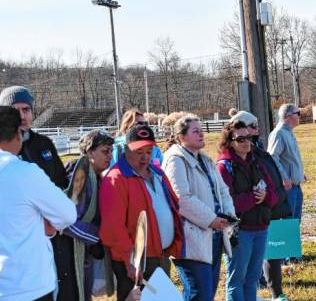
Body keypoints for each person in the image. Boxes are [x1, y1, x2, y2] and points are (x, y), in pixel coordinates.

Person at [0, 85, 72, 298]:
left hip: (53, 240)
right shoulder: (21, 167)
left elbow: (61, 185)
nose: (23, 116)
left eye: (27, 109)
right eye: (16, 110)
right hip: (21, 260)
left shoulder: (44, 144)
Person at [99, 124, 184, 301]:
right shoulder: (116, 179)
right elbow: (112, 228)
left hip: (160, 254)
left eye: (149, 151)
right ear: (126, 149)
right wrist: (131, 261)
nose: (145, 157)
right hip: (135, 262)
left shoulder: (157, 173)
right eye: (139, 152)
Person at [162, 115, 236, 301]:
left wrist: (228, 216)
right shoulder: (175, 160)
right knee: (199, 294)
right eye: (195, 131)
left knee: (208, 293)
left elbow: (222, 190)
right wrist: (211, 220)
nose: (201, 134)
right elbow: (181, 198)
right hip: (190, 239)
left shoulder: (205, 159)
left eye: (201, 129)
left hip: (214, 234)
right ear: (182, 136)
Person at [232, 111, 293, 301]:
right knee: (244, 271)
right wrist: (261, 198)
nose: (257, 131)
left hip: (271, 208)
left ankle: (277, 292)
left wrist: (276, 198)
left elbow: (272, 177)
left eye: (256, 127)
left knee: (273, 254)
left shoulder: (259, 151)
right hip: (252, 218)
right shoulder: (239, 159)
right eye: (254, 127)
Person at [216, 121, 278, 301]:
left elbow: (274, 196)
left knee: (252, 280)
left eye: (249, 137)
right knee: (236, 279)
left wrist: (265, 196)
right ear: (229, 141)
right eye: (240, 138)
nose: (246, 142)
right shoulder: (223, 166)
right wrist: (253, 197)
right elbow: (228, 204)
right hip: (239, 231)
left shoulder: (257, 163)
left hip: (261, 228)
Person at [60, 130, 115, 301]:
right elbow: (67, 221)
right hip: (72, 251)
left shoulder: (95, 177)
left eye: (111, 151)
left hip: (84, 250)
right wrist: (96, 237)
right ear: (90, 152)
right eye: (105, 151)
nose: (110, 156)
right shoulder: (79, 179)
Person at [267, 104, 305, 222]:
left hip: (295, 184)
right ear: (288, 116)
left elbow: (289, 158)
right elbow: (272, 157)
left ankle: (294, 241)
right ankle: (289, 241)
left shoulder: (288, 132)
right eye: (297, 113)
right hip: (287, 187)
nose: (299, 116)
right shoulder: (279, 133)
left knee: (295, 219)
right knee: (288, 220)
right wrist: (284, 177)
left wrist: (299, 173)